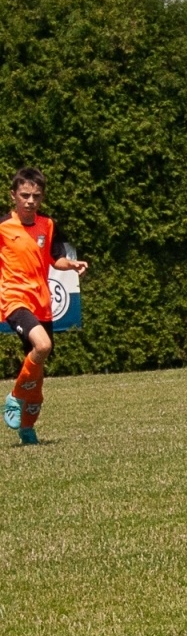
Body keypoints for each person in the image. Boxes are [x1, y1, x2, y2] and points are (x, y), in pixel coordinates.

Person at [2, 168, 89, 445]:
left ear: (42, 198)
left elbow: (56, 258)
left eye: (36, 196)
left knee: (37, 375)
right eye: (25, 195)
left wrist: (71, 264)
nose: (30, 201)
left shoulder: (48, 225)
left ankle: (27, 429)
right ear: (13, 195)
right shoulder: (2, 226)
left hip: (43, 303)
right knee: (43, 346)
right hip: (14, 300)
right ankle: (14, 396)